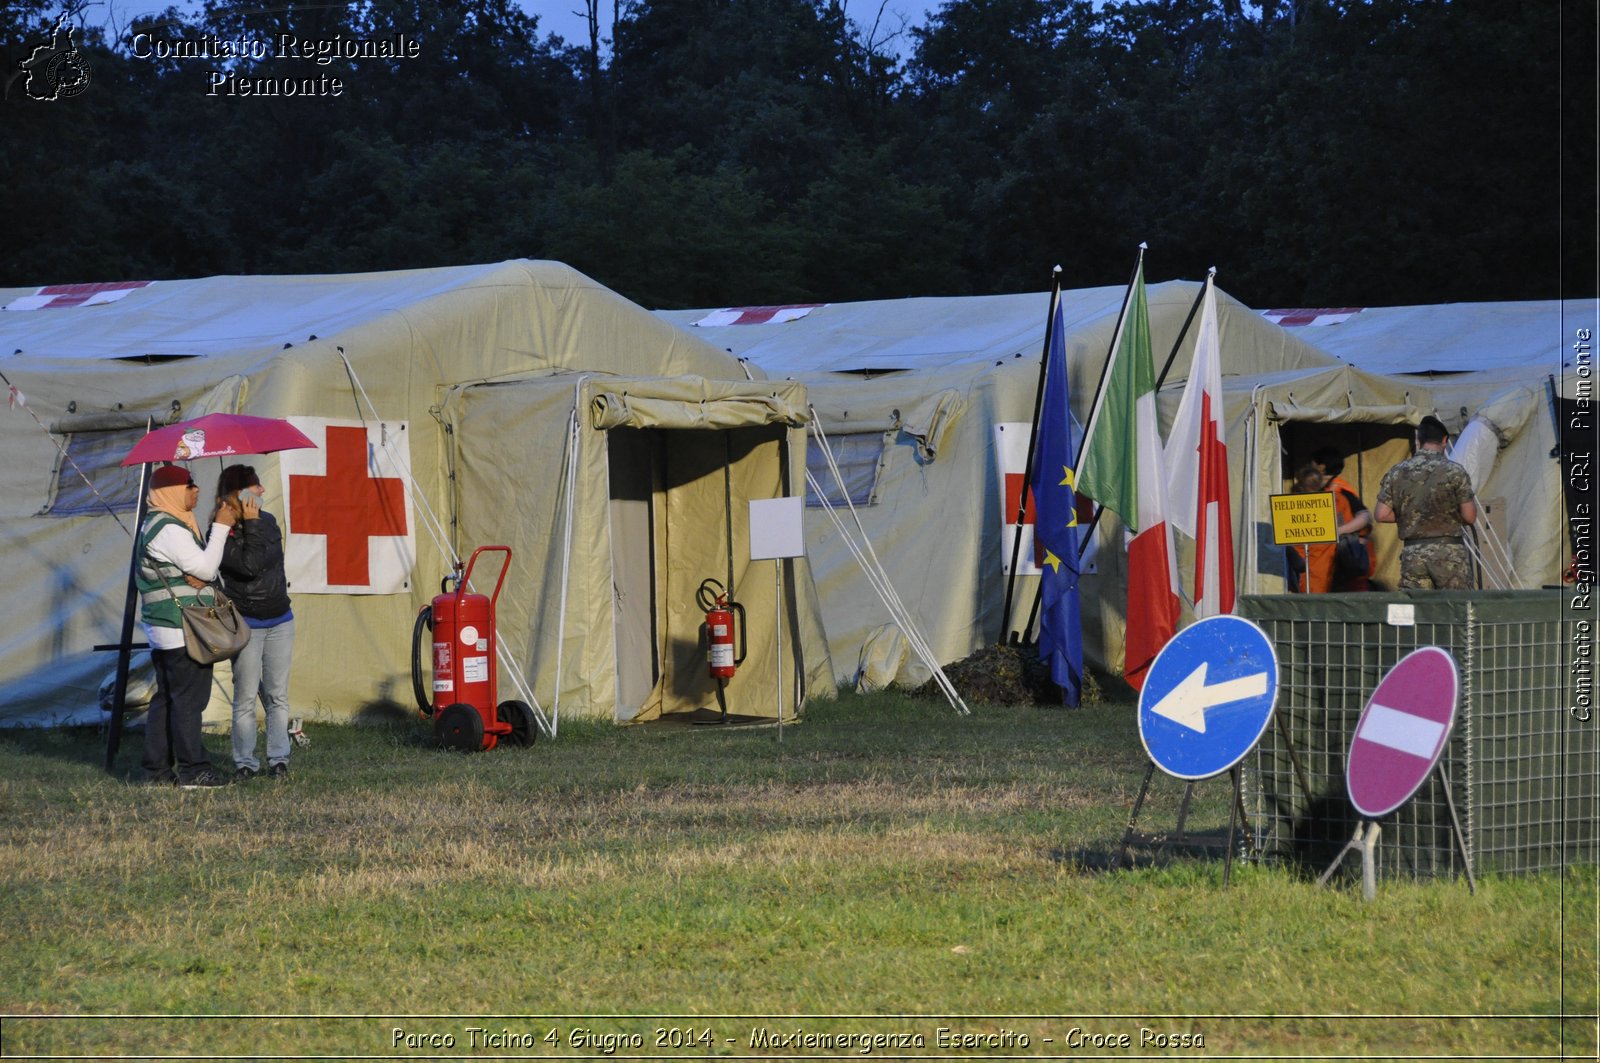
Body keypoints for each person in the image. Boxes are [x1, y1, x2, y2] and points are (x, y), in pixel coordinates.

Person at [138, 463, 238, 788]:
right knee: (188, 701)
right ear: (170, 492)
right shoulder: (168, 528)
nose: (196, 490)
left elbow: (195, 569)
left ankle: (156, 771)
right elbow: (207, 569)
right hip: (181, 628)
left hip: (165, 628)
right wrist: (221, 527)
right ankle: (195, 771)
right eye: (189, 485)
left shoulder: (164, 523)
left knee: (168, 697)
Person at [215, 464, 295, 781]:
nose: (262, 490)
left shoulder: (269, 522)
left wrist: (253, 525)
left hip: (280, 619)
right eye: (254, 486)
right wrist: (248, 525)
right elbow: (249, 567)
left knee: (277, 696)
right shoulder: (220, 532)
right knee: (245, 698)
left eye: (260, 485)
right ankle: (245, 764)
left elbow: (265, 561)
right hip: (246, 623)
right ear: (238, 494)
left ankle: (279, 760)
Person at [1375, 415, 1478, 589]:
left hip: (1413, 555)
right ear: (1445, 440)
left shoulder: (1397, 472)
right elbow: (1469, 516)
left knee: (1417, 610)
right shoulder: (1455, 471)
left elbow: (1381, 514)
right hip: (1449, 555)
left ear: (1418, 440)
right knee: (1456, 609)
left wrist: (1412, 516)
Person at [1312, 446, 1376, 592]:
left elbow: (1365, 516)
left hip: (1347, 557)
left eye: (1312, 464)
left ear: (1321, 467)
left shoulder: (1341, 490)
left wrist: (1337, 531)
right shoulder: (1326, 489)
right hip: (1335, 560)